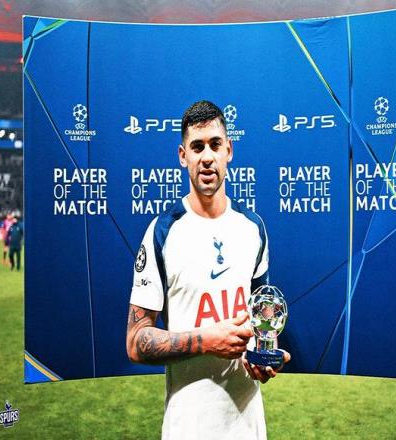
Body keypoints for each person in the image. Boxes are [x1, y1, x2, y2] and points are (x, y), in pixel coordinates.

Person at [126, 100, 290, 440]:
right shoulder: (162, 232)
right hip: (188, 426)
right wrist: (206, 340)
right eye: (197, 147)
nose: (207, 157)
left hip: (248, 426)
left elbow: (260, 320)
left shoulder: (253, 228)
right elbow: (136, 341)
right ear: (182, 155)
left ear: (229, 150)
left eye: (215, 145)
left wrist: (261, 359)